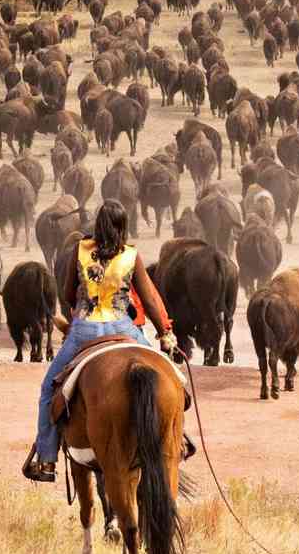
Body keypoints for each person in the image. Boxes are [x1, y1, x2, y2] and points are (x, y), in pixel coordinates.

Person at [21, 200, 181, 485]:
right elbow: (148, 299)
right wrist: (165, 335)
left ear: (99, 225)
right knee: (171, 379)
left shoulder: (81, 251)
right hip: (123, 326)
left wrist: (84, 302)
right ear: (123, 226)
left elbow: (68, 293)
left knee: (49, 388)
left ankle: (46, 458)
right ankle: (177, 441)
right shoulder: (132, 255)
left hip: (84, 328)